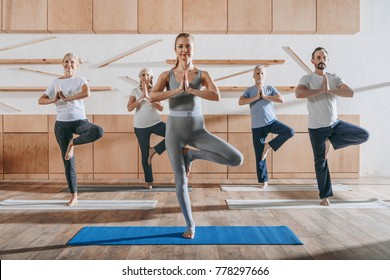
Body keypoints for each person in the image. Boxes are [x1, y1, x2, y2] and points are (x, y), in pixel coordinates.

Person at [150, 33, 243, 239]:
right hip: (174, 131)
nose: (184, 50)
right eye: (180, 46)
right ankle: (190, 224)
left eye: (188, 46)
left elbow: (215, 95)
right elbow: (152, 97)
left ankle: (192, 155)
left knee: (236, 159)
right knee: (180, 180)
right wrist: (176, 92)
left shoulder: (202, 74)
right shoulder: (166, 75)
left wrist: (191, 90)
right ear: (175, 50)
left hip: (198, 130)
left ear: (194, 49)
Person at [296, 47, 369, 206]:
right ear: (313, 61)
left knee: (363, 134)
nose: (321, 59)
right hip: (316, 128)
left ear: (327, 61)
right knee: (320, 161)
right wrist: (319, 91)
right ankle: (325, 196)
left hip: (334, 125)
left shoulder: (335, 77)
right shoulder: (307, 78)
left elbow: (349, 93)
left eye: (324, 57)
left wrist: (329, 90)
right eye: (318, 57)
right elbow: (299, 94)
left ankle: (331, 141)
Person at [38, 53, 104, 206]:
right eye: (66, 62)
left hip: (80, 121)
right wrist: (54, 99)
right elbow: (41, 100)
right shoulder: (55, 82)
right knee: (68, 162)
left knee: (98, 131)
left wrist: (67, 98)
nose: (69, 65)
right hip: (62, 125)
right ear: (62, 64)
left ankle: (72, 144)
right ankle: (74, 195)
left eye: (72, 62)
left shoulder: (80, 80)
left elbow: (87, 92)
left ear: (77, 65)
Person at [238, 65, 294, 188]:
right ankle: (264, 181)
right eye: (257, 73)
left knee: (289, 131)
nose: (260, 75)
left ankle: (268, 145)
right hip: (257, 126)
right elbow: (240, 102)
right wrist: (256, 97)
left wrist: (264, 96)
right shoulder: (249, 90)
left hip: (272, 122)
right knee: (259, 155)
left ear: (265, 75)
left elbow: (281, 99)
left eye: (262, 73)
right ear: (253, 75)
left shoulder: (270, 88)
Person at [127, 67, 166, 189]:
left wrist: (148, 96)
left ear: (151, 78)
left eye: (147, 75)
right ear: (140, 77)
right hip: (140, 126)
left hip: (155, 123)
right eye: (143, 75)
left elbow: (161, 108)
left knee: (173, 134)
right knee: (145, 155)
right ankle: (149, 182)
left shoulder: (156, 90)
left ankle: (154, 150)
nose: (145, 77)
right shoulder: (134, 91)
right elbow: (129, 108)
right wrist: (141, 97)